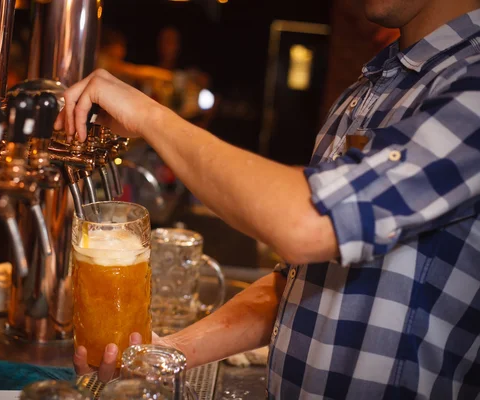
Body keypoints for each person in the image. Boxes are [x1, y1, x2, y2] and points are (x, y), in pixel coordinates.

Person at [56, 0, 480, 398]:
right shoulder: (371, 91)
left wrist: (149, 116)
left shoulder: (471, 82)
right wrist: (160, 354)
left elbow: (307, 224)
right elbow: (297, 283)